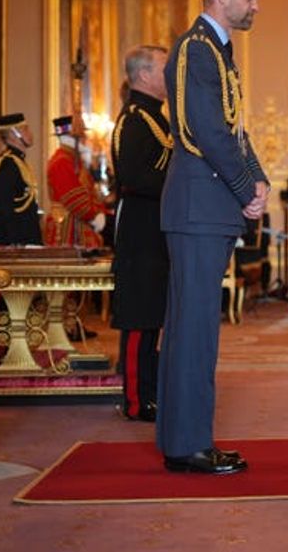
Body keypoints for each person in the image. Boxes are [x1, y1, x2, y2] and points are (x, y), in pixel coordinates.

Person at [158, 0, 269, 475]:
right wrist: (246, 190)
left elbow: (234, 129)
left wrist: (258, 178)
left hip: (210, 207)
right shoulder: (196, 49)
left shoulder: (219, 53)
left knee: (198, 327)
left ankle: (188, 440)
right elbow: (202, 129)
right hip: (199, 207)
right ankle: (187, 446)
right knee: (194, 329)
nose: (255, 5)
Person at [110, 45, 171, 423]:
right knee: (138, 319)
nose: (171, 75)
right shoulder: (134, 119)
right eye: (166, 68)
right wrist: (177, 185)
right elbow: (132, 177)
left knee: (152, 319)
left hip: (156, 233)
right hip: (139, 236)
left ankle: (151, 392)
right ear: (145, 75)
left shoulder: (156, 119)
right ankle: (135, 400)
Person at [43, 115, 107, 248]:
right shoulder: (61, 161)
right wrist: (94, 215)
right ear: (72, 138)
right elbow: (74, 199)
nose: (85, 139)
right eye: (82, 136)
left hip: (78, 223)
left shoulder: (72, 159)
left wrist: (99, 211)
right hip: (66, 228)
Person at [0, 113, 42, 246]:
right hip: (13, 243)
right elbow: (4, 208)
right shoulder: (7, 164)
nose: (30, 133)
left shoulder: (19, 162)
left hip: (26, 239)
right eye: (25, 129)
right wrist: (15, 244)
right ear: (13, 134)